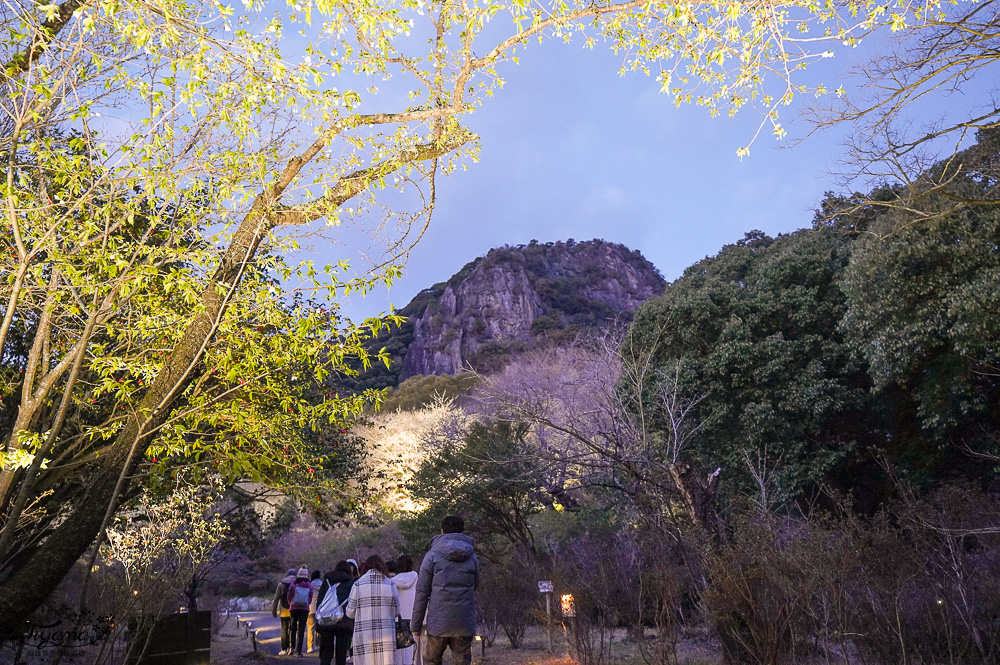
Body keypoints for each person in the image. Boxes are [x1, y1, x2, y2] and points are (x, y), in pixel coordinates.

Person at [410, 516, 479, 665]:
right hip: (464, 622)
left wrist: (416, 625)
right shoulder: (471, 556)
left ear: (442, 532)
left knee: (432, 661)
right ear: (462, 532)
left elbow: (422, 593)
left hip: (438, 624)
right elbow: (475, 585)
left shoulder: (432, 555)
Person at [346, 555, 400, 665]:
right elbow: (396, 612)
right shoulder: (390, 584)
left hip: (365, 636)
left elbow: (350, 613)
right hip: (386, 636)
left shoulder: (358, 584)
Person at [316, 561, 357, 665]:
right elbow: (352, 602)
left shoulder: (327, 580)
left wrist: (319, 616)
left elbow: (320, 600)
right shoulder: (351, 583)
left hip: (327, 619)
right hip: (344, 620)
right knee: (341, 653)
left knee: (326, 651)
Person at [392, 556, 419, 665]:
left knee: (399, 649)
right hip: (414, 616)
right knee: (413, 649)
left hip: (398, 618)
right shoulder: (417, 578)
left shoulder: (392, 582)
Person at [287, 566, 314, 657]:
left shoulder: (294, 584)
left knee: (292, 628)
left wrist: (291, 602)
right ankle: (299, 651)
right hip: (304, 609)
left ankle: (291, 647)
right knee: (301, 630)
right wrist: (307, 603)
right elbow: (310, 596)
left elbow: (289, 595)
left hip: (294, 608)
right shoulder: (309, 585)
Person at [272, 567, 297, 655]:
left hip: (283, 610)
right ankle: (292, 647)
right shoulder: (297, 583)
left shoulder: (281, 584)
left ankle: (284, 649)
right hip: (294, 609)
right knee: (293, 628)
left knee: (284, 629)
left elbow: (276, 598)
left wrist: (274, 611)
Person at [308, 569, 324, 653]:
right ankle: (318, 645)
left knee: (310, 628)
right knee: (319, 628)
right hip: (320, 610)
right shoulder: (323, 585)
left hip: (311, 609)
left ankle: (310, 647)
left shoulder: (310, 585)